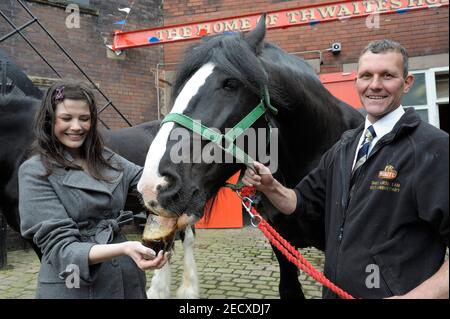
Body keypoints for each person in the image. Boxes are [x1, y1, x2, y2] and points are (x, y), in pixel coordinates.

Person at [243, 40, 449, 299]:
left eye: (387, 75)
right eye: (366, 76)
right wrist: (270, 186)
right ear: (357, 82)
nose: (375, 85)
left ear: (407, 83)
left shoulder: (434, 149)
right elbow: (300, 201)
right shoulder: (345, 146)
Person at [18, 81, 169, 299]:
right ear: (50, 120)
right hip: (74, 286)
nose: (77, 126)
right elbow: (62, 250)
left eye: (84, 118)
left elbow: (149, 184)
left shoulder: (106, 158)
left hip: (126, 282)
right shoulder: (35, 172)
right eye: (67, 118)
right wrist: (125, 248)